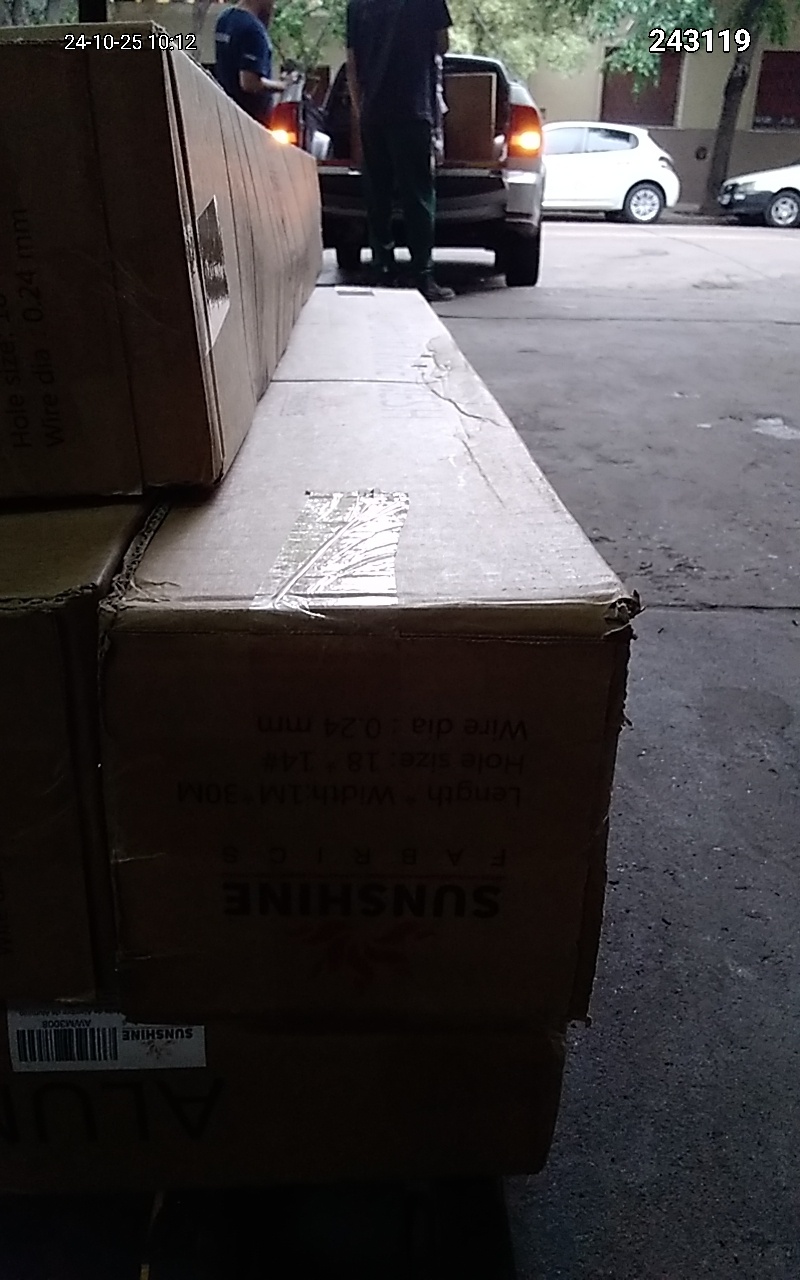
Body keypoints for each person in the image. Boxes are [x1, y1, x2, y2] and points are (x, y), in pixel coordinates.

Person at [346, 0, 456, 302]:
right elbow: (442, 45)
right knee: (417, 194)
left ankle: (382, 268)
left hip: (373, 111)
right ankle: (422, 274)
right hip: (412, 108)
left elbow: (352, 61)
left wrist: (360, 109)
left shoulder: (357, 4)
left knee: (377, 195)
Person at [214, 0, 285, 125]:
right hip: (250, 123)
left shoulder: (224, 19)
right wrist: (283, 86)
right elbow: (250, 83)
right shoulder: (253, 30)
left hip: (226, 115)